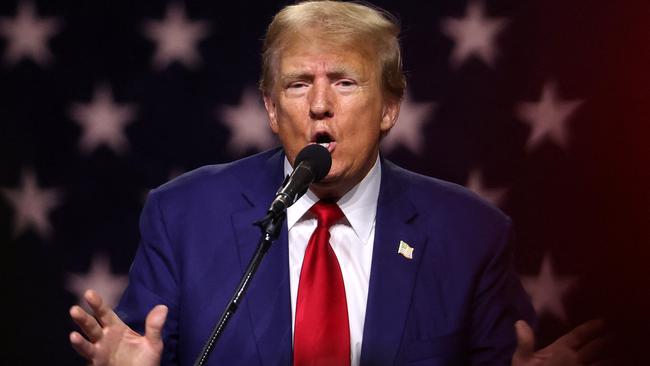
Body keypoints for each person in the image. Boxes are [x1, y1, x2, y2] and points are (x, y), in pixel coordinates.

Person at [69, 1, 607, 365]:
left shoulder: (471, 234)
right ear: (271, 108)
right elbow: (141, 348)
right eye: (298, 83)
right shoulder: (184, 214)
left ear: (390, 107)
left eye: (345, 82)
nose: (320, 104)